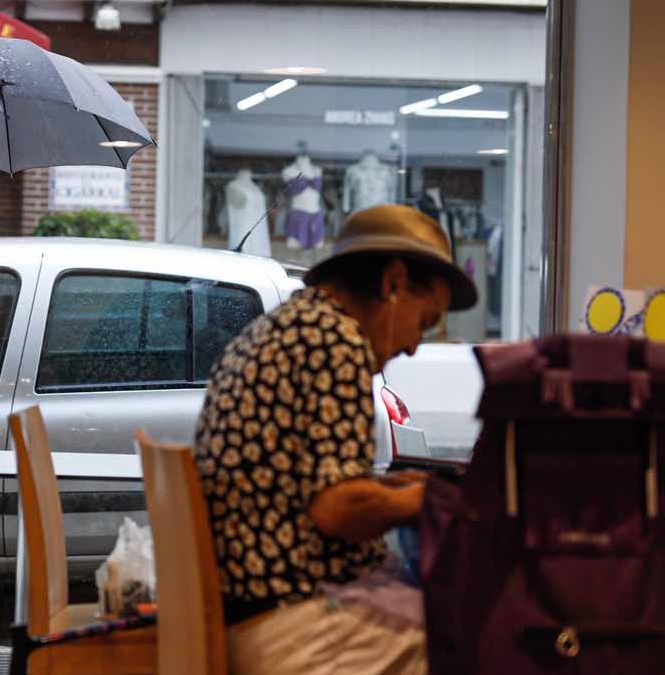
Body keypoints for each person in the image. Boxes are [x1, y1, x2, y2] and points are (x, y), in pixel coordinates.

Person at [194, 204, 478, 675]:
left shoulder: (290, 327)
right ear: (393, 284)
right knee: (479, 637)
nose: (412, 345)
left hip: (255, 609)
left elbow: (302, 487)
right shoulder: (335, 339)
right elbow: (337, 509)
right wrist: (439, 496)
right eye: (424, 322)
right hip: (291, 627)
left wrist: (392, 489)